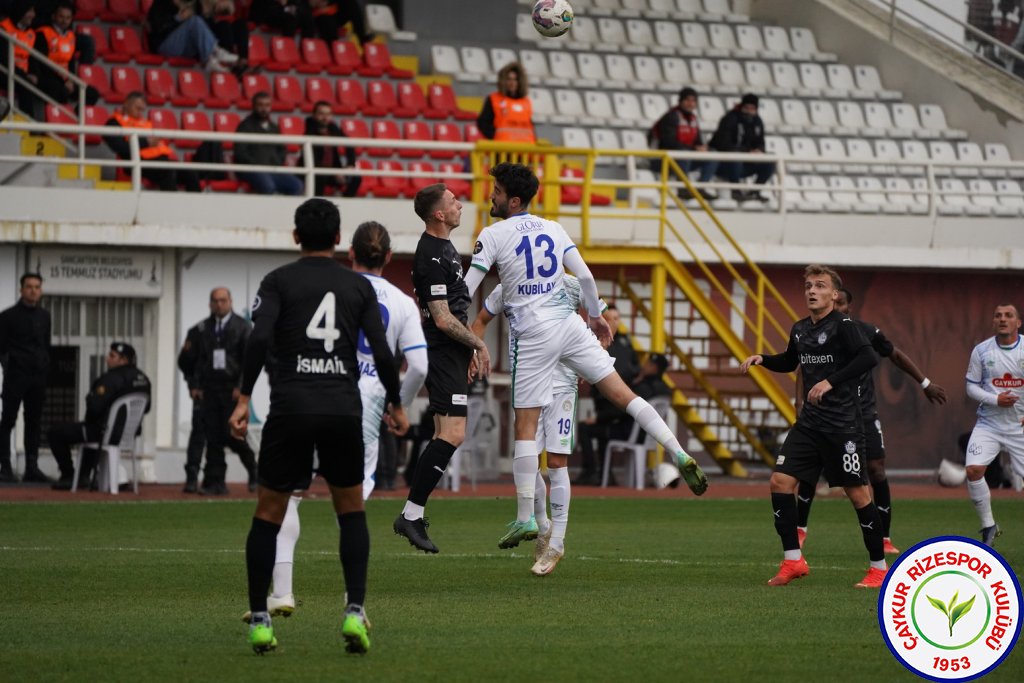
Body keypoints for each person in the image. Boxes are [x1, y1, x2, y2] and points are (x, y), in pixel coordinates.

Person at [463, 162, 707, 563]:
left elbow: (469, 290)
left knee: (525, 432)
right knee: (623, 395)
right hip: (569, 331)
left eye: (496, 191)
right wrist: (594, 316)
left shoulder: (493, 236)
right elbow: (588, 280)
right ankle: (677, 451)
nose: (491, 196)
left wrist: (445, 311)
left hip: (537, 341)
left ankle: (528, 518)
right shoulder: (555, 231)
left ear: (514, 199)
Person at [228, 198, 408, 655]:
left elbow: (259, 338)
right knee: (350, 511)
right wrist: (396, 402)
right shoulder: (356, 288)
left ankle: (262, 621)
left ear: (295, 237)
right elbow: (384, 353)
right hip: (341, 410)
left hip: (290, 408)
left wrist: (246, 397)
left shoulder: (277, 282)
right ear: (336, 240)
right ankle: (353, 612)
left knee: (269, 511)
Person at [740, 264, 887, 589]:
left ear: (834, 294)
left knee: (859, 494)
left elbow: (868, 359)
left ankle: (879, 569)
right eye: (808, 285)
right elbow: (791, 361)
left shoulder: (845, 326)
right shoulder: (800, 328)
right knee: (779, 481)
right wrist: (764, 359)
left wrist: (829, 382)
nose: (811, 290)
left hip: (843, 426)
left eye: (819, 285)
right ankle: (793, 561)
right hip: (809, 425)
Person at [795, 287, 948, 554]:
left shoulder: (863, 331)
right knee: (810, 467)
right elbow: (803, 367)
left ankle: (885, 538)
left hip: (862, 412)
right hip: (825, 413)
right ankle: (800, 531)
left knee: (875, 469)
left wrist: (924, 383)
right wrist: (799, 403)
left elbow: (894, 354)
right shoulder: (814, 332)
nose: (838, 308)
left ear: (847, 307)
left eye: (842, 304)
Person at [472, 274, 606, 575]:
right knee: (527, 460)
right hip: (529, 383)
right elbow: (481, 319)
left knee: (557, 463)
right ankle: (543, 525)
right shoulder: (508, 285)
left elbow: (601, 313)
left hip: (562, 384)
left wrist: (590, 356)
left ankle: (556, 542)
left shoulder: (571, 282)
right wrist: (474, 348)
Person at [393, 183, 491, 555]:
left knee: (443, 433)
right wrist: (477, 343)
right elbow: (442, 317)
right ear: (438, 214)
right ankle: (411, 514)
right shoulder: (430, 254)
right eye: (453, 202)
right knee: (452, 433)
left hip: (451, 353)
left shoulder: (445, 249)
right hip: (442, 351)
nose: (459, 205)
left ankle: (413, 513)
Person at [177, 287, 257, 495]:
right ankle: (214, 481)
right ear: (210, 303)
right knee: (211, 436)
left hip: (232, 391)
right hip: (208, 391)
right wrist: (193, 385)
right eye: (215, 301)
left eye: (223, 300)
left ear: (230, 301)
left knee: (233, 436)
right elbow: (186, 361)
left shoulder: (243, 327)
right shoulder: (201, 330)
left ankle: (254, 472)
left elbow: (250, 361)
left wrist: (241, 387)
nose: (219, 304)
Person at [49, 342, 151, 490]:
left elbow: (94, 407)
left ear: (124, 360)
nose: (107, 358)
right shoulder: (144, 379)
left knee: (56, 432)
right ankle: (83, 476)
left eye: (112, 355)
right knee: (91, 433)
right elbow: (146, 408)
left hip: (105, 433)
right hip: (127, 435)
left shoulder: (112, 378)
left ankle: (69, 475)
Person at [963, 303, 1024, 547]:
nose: (1002, 319)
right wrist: (995, 399)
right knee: (973, 470)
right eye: (998, 315)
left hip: (1019, 427)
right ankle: (989, 526)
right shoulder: (982, 351)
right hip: (989, 424)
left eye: (1009, 315)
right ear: (993, 321)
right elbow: (971, 387)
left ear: (1018, 323)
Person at [575, 304, 639, 486]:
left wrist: (599, 417)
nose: (614, 323)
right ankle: (603, 473)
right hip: (610, 411)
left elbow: (623, 386)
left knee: (588, 429)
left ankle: (592, 472)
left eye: (617, 319)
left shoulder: (622, 348)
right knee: (597, 430)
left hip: (620, 414)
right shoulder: (598, 343)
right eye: (611, 319)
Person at [0, 273, 51, 483]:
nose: (33, 290)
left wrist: (44, 364)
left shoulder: (45, 316)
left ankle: (32, 466)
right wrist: (11, 364)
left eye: (37, 287)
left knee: (34, 421)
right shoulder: (8, 316)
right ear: (21, 290)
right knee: (8, 421)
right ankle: (5, 467)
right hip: (16, 375)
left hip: (37, 376)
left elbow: (46, 343)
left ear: (41, 291)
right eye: (29, 287)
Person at [103, 92, 201, 192]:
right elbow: (119, 147)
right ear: (127, 104)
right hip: (139, 162)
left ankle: (198, 205)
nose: (140, 112)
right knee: (167, 171)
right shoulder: (114, 123)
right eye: (137, 108)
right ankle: (171, 205)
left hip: (161, 161)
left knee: (190, 172)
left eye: (142, 110)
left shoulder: (144, 122)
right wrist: (146, 142)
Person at [649, 87, 716, 201]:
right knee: (683, 154)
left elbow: (697, 141)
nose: (690, 104)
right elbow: (668, 142)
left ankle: (700, 188)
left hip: (684, 158)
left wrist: (702, 147)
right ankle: (683, 189)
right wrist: (693, 148)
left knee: (712, 156)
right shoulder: (671, 117)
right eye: (687, 100)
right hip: (663, 160)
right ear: (680, 101)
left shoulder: (693, 119)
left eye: (693, 101)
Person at [707, 93, 774, 202]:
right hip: (724, 164)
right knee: (735, 157)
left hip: (746, 162)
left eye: (752, 108)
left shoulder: (757, 121)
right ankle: (736, 191)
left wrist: (759, 151)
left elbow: (761, 142)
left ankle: (755, 191)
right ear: (742, 106)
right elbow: (723, 144)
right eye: (747, 107)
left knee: (770, 161)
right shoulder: (730, 119)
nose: (749, 111)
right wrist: (747, 152)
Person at [234, 91, 304, 196]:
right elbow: (240, 153)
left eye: (267, 105)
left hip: (273, 169)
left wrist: (277, 162)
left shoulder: (274, 127)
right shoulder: (244, 126)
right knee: (268, 186)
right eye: (260, 105)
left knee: (297, 185)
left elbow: (282, 149)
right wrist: (257, 165)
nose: (264, 109)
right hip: (251, 170)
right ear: (253, 106)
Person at [32, 1, 99, 110]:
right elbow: (42, 63)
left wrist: (71, 79)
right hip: (48, 76)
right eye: (61, 17)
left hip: (65, 78)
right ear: (54, 16)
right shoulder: (43, 33)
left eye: (68, 18)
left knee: (92, 93)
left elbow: (71, 61)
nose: (64, 21)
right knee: (59, 90)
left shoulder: (71, 36)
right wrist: (64, 81)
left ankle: (77, 117)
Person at [146, 0, 239, 72]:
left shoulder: (190, 4)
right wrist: (178, 19)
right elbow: (157, 28)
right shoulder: (161, 3)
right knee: (194, 21)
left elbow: (204, 29)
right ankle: (214, 53)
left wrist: (209, 11)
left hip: (184, 47)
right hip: (164, 45)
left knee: (198, 21)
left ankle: (212, 57)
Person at [300, 100, 360, 198]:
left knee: (356, 178)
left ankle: (345, 202)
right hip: (316, 171)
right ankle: (316, 203)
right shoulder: (309, 132)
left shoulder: (333, 128)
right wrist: (332, 172)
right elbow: (313, 160)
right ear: (314, 115)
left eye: (328, 114)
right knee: (320, 177)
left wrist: (350, 164)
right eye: (321, 114)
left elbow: (349, 144)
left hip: (333, 170)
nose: (325, 118)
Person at [476, 61, 535, 143]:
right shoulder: (494, 99)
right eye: (509, 79)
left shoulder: (526, 102)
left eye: (515, 80)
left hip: (525, 150)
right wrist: (496, 136)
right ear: (503, 81)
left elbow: (530, 126)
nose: (512, 83)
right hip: (503, 151)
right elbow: (482, 122)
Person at [1, 0, 39, 117]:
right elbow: (4, 60)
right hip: (5, 72)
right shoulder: (3, 28)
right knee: (26, 84)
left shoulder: (32, 33)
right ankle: (29, 126)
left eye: (33, 11)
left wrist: (34, 74)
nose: (33, 15)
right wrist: (24, 75)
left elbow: (33, 58)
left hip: (22, 74)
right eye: (29, 11)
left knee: (52, 87)